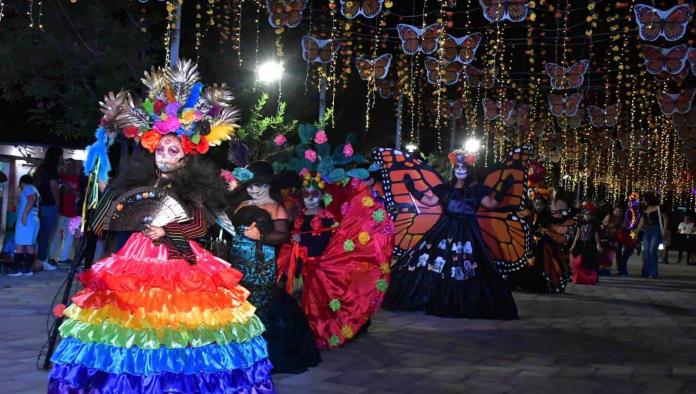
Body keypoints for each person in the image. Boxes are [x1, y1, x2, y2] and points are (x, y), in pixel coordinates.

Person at [48, 60, 275, 392]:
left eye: (173, 151)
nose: (165, 156)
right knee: (130, 323)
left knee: (177, 325)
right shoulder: (140, 179)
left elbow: (202, 224)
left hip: (178, 259)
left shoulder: (194, 186)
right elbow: (115, 210)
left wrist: (167, 232)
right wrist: (94, 222)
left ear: (184, 157)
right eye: (161, 149)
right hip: (136, 257)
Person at [382, 149, 518, 319]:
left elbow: (490, 203)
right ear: (453, 168)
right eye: (457, 167)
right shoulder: (444, 189)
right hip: (445, 229)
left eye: (464, 167)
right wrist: (412, 188)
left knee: (468, 266)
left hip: (468, 232)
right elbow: (429, 201)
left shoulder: (476, 190)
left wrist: (504, 188)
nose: (460, 170)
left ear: (469, 170)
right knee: (434, 263)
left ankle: (464, 302)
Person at [278, 172, 392, 349]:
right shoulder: (299, 216)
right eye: (306, 194)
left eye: (314, 194)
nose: (310, 198)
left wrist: (305, 240)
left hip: (318, 267)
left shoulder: (326, 217)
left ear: (321, 195)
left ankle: (317, 333)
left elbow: (329, 241)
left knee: (314, 305)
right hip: (299, 266)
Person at [226, 161, 321, 374]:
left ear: (268, 186)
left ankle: (265, 355)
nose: (252, 190)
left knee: (263, 301)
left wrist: (262, 236)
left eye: (256, 186)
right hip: (238, 260)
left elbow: (282, 235)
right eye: (249, 186)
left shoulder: (276, 207)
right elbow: (231, 227)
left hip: (262, 261)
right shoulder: (242, 205)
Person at [511, 185, 572, 293]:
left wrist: (563, 216)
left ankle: (541, 285)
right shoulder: (530, 214)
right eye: (537, 204)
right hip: (529, 243)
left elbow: (556, 221)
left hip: (543, 245)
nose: (538, 206)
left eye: (541, 204)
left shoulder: (546, 215)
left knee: (543, 264)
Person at [34, 146, 63, 271]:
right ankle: (42, 260)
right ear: (56, 156)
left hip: (39, 204)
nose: (62, 158)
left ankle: (35, 259)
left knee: (39, 233)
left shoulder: (41, 169)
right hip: (49, 204)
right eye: (61, 155)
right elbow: (54, 187)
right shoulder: (52, 170)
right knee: (46, 233)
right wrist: (58, 202)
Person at [49, 158, 81, 266]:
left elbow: (78, 193)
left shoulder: (77, 178)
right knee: (57, 234)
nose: (70, 166)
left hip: (74, 212)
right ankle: (51, 257)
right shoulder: (60, 177)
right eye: (68, 164)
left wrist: (71, 191)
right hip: (61, 210)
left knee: (70, 236)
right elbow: (60, 191)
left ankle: (64, 257)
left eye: (72, 164)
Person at [8, 175, 40, 277]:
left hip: (27, 220)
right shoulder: (36, 190)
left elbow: (31, 199)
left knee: (19, 245)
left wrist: (24, 215)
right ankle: (26, 268)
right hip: (34, 219)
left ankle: (16, 269)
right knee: (30, 246)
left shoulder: (27, 188)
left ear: (22, 183)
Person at [635, 192, 667, 279]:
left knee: (652, 250)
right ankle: (645, 271)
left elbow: (665, 218)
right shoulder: (645, 209)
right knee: (646, 251)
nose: (643, 201)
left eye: (644, 199)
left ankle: (653, 272)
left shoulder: (658, 208)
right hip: (647, 230)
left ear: (649, 199)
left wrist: (664, 230)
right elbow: (642, 221)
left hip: (656, 230)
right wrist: (636, 232)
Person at [570, 202, 601, 285]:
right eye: (586, 214)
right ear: (583, 215)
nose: (587, 216)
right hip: (581, 245)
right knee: (579, 261)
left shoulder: (594, 224)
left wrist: (598, 245)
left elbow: (596, 235)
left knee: (589, 262)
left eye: (589, 214)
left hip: (590, 245)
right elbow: (578, 235)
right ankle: (579, 277)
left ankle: (590, 278)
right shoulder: (580, 223)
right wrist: (573, 245)